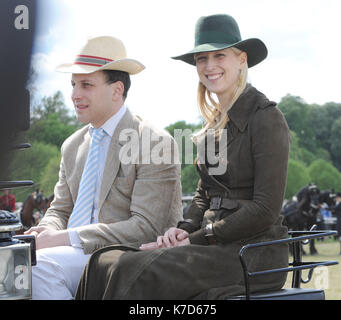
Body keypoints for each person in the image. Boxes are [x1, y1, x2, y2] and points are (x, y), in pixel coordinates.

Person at [75, 14, 291, 300]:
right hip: (212, 245)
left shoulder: (266, 118)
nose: (209, 66)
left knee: (132, 268)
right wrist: (183, 229)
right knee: (103, 261)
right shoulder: (212, 126)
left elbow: (265, 208)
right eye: (202, 58)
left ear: (241, 60)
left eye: (219, 56)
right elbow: (203, 195)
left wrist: (196, 238)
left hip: (252, 254)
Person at [24, 36, 183, 299]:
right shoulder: (72, 145)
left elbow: (147, 228)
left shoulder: (154, 142)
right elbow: (60, 209)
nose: (75, 95)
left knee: (35, 268)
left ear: (116, 90)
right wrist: (45, 230)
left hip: (124, 257)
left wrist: (64, 238)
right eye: (73, 84)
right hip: (73, 254)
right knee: (12, 264)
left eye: (86, 85)